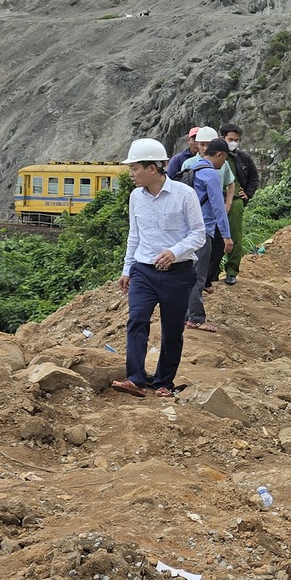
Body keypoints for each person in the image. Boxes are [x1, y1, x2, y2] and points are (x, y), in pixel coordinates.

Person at [113, 138, 205, 398]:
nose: (131, 174)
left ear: (152, 168)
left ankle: (164, 382)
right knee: (137, 320)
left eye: (135, 168)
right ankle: (136, 380)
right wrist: (127, 269)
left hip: (178, 274)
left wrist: (174, 252)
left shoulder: (184, 195)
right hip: (143, 271)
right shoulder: (135, 197)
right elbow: (135, 234)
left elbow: (199, 234)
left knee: (172, 329)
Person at [184, 139, 232, 333]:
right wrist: (227, 236)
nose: (223, 164)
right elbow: (218, 207)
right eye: (224, 159)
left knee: (187, 273)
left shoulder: (192, 169)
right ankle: (196, 318)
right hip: (203, 231)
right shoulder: (210, 174)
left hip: (186, 230)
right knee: (198, 276)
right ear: (219, 154)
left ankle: (186, 314)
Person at [221, 125, 259, 284]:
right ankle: (212, 271)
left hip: (236, 201)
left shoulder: (243, 158)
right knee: (214, 237)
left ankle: (231, 271)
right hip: (217, 201)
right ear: (222, 138)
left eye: (236, 140)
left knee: (235, 235)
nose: (234, 143)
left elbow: (254, 178)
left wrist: (247, 194)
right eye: (231, 140)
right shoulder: (216, 155)